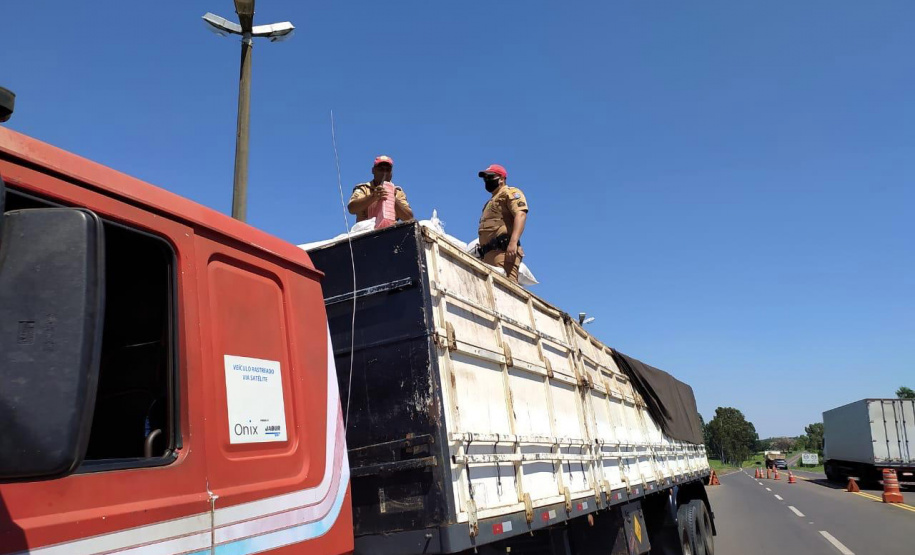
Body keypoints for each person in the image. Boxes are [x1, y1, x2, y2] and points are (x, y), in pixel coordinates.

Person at [477, 163, 528, 283]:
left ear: (501, 179)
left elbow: (521, 215)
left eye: (490, 177)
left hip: (503, 253)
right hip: (487, 255)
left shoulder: (509, 192)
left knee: (505, 290)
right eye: (485, 178)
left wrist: (513, 243)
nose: (486, 181)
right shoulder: (489, 202)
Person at [347, 155, 414, 223]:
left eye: (388, 170)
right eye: (381, 169)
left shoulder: (398, 192)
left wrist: (393, 199)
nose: (384, 173)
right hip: (366, 230)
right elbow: (351, 209)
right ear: (373, 170)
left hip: (390, 230)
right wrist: (373, 197)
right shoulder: (364, 188)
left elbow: (409, 218)